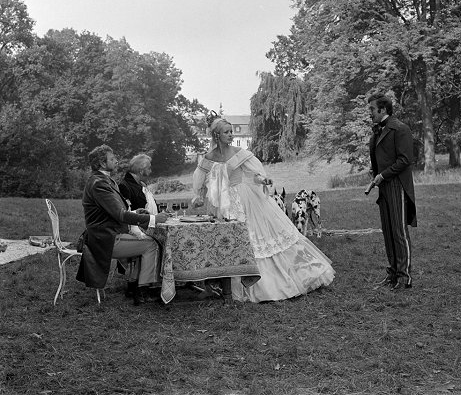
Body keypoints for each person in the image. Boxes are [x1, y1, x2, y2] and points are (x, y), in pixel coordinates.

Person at [192, 112, 335, 303]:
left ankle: (275, 283)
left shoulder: (239, 153)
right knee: (228, 242)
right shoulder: (209, 157)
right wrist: (198, 197)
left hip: (244, 199)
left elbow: (254, 174)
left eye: (231, 131)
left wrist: (263, 179)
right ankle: (224, 284)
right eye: (226, 132)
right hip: (223, 205)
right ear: (217, 136)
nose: (231, 135)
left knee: (255, 239)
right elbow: (201, 182)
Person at [76, 145, 169, 304]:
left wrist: (135, 213)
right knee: (152, 245)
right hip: (105, 238)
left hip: (108, 234)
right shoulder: (99, 184)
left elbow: (116, 212)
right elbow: (119, 215)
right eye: (112, 159)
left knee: (146, 241)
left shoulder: (104, 180)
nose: (116, 161)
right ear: (102, 163)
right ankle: (142, 293)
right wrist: (153, 219)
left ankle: (133, 287)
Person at [368, 93, 417, 290]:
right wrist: (376, 173)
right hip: (384, 187)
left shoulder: (401, 129)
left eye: (372, 109)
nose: (369, 113)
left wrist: (383, 175)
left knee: (398, 231)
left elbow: (405, 160)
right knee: (388, 232)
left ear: (383, 109)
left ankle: (404, 277)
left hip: (397, 185)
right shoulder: (377, 131)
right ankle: (393, 274)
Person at [118, 153, 161, 300]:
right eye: (149, 168)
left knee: (160, 240)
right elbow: (126, 214)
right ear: (142, 170)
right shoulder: (124, 186)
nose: (150, 171)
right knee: (155, 243)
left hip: (145, 224)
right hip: (133, 228)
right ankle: (143, 287)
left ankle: (139, 284)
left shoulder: (140, 185)